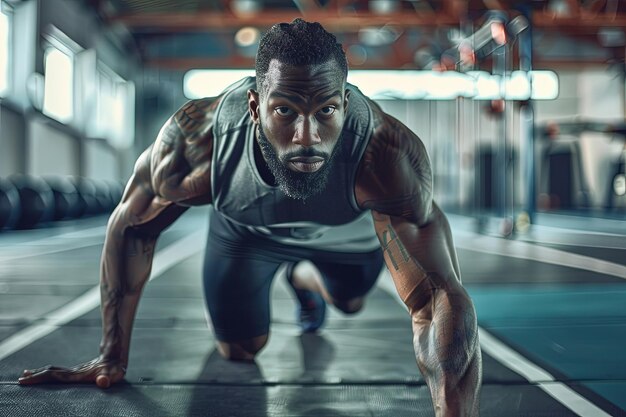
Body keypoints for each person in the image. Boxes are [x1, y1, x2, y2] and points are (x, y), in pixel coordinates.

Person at [19, 19, 482, 417]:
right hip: (247, 235)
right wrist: (110, 356)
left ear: (343, 100)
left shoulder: (387, 155)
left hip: (346, 238)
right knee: (239, 350)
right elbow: (132, 226)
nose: (308, 137)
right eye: (285, 110)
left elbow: (439, 294)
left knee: (349, 303)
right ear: (256, 106)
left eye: (326, 111)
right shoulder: (197, 143)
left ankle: (305, 278)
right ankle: (293, 274)